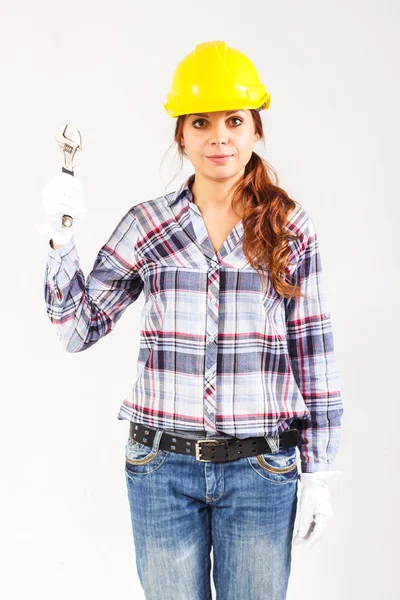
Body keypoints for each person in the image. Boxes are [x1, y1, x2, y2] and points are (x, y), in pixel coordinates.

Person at [39, 40, 344, 600]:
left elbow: (314, 357)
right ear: (181, 134)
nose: (218, 137)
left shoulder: (290, 230)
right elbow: (75, 329)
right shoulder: (148, 225)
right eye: (201, 122)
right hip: (161, 469)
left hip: (261, 470)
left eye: (234, 120)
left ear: (255, 130)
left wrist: (318, 472)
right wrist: (61, 240)